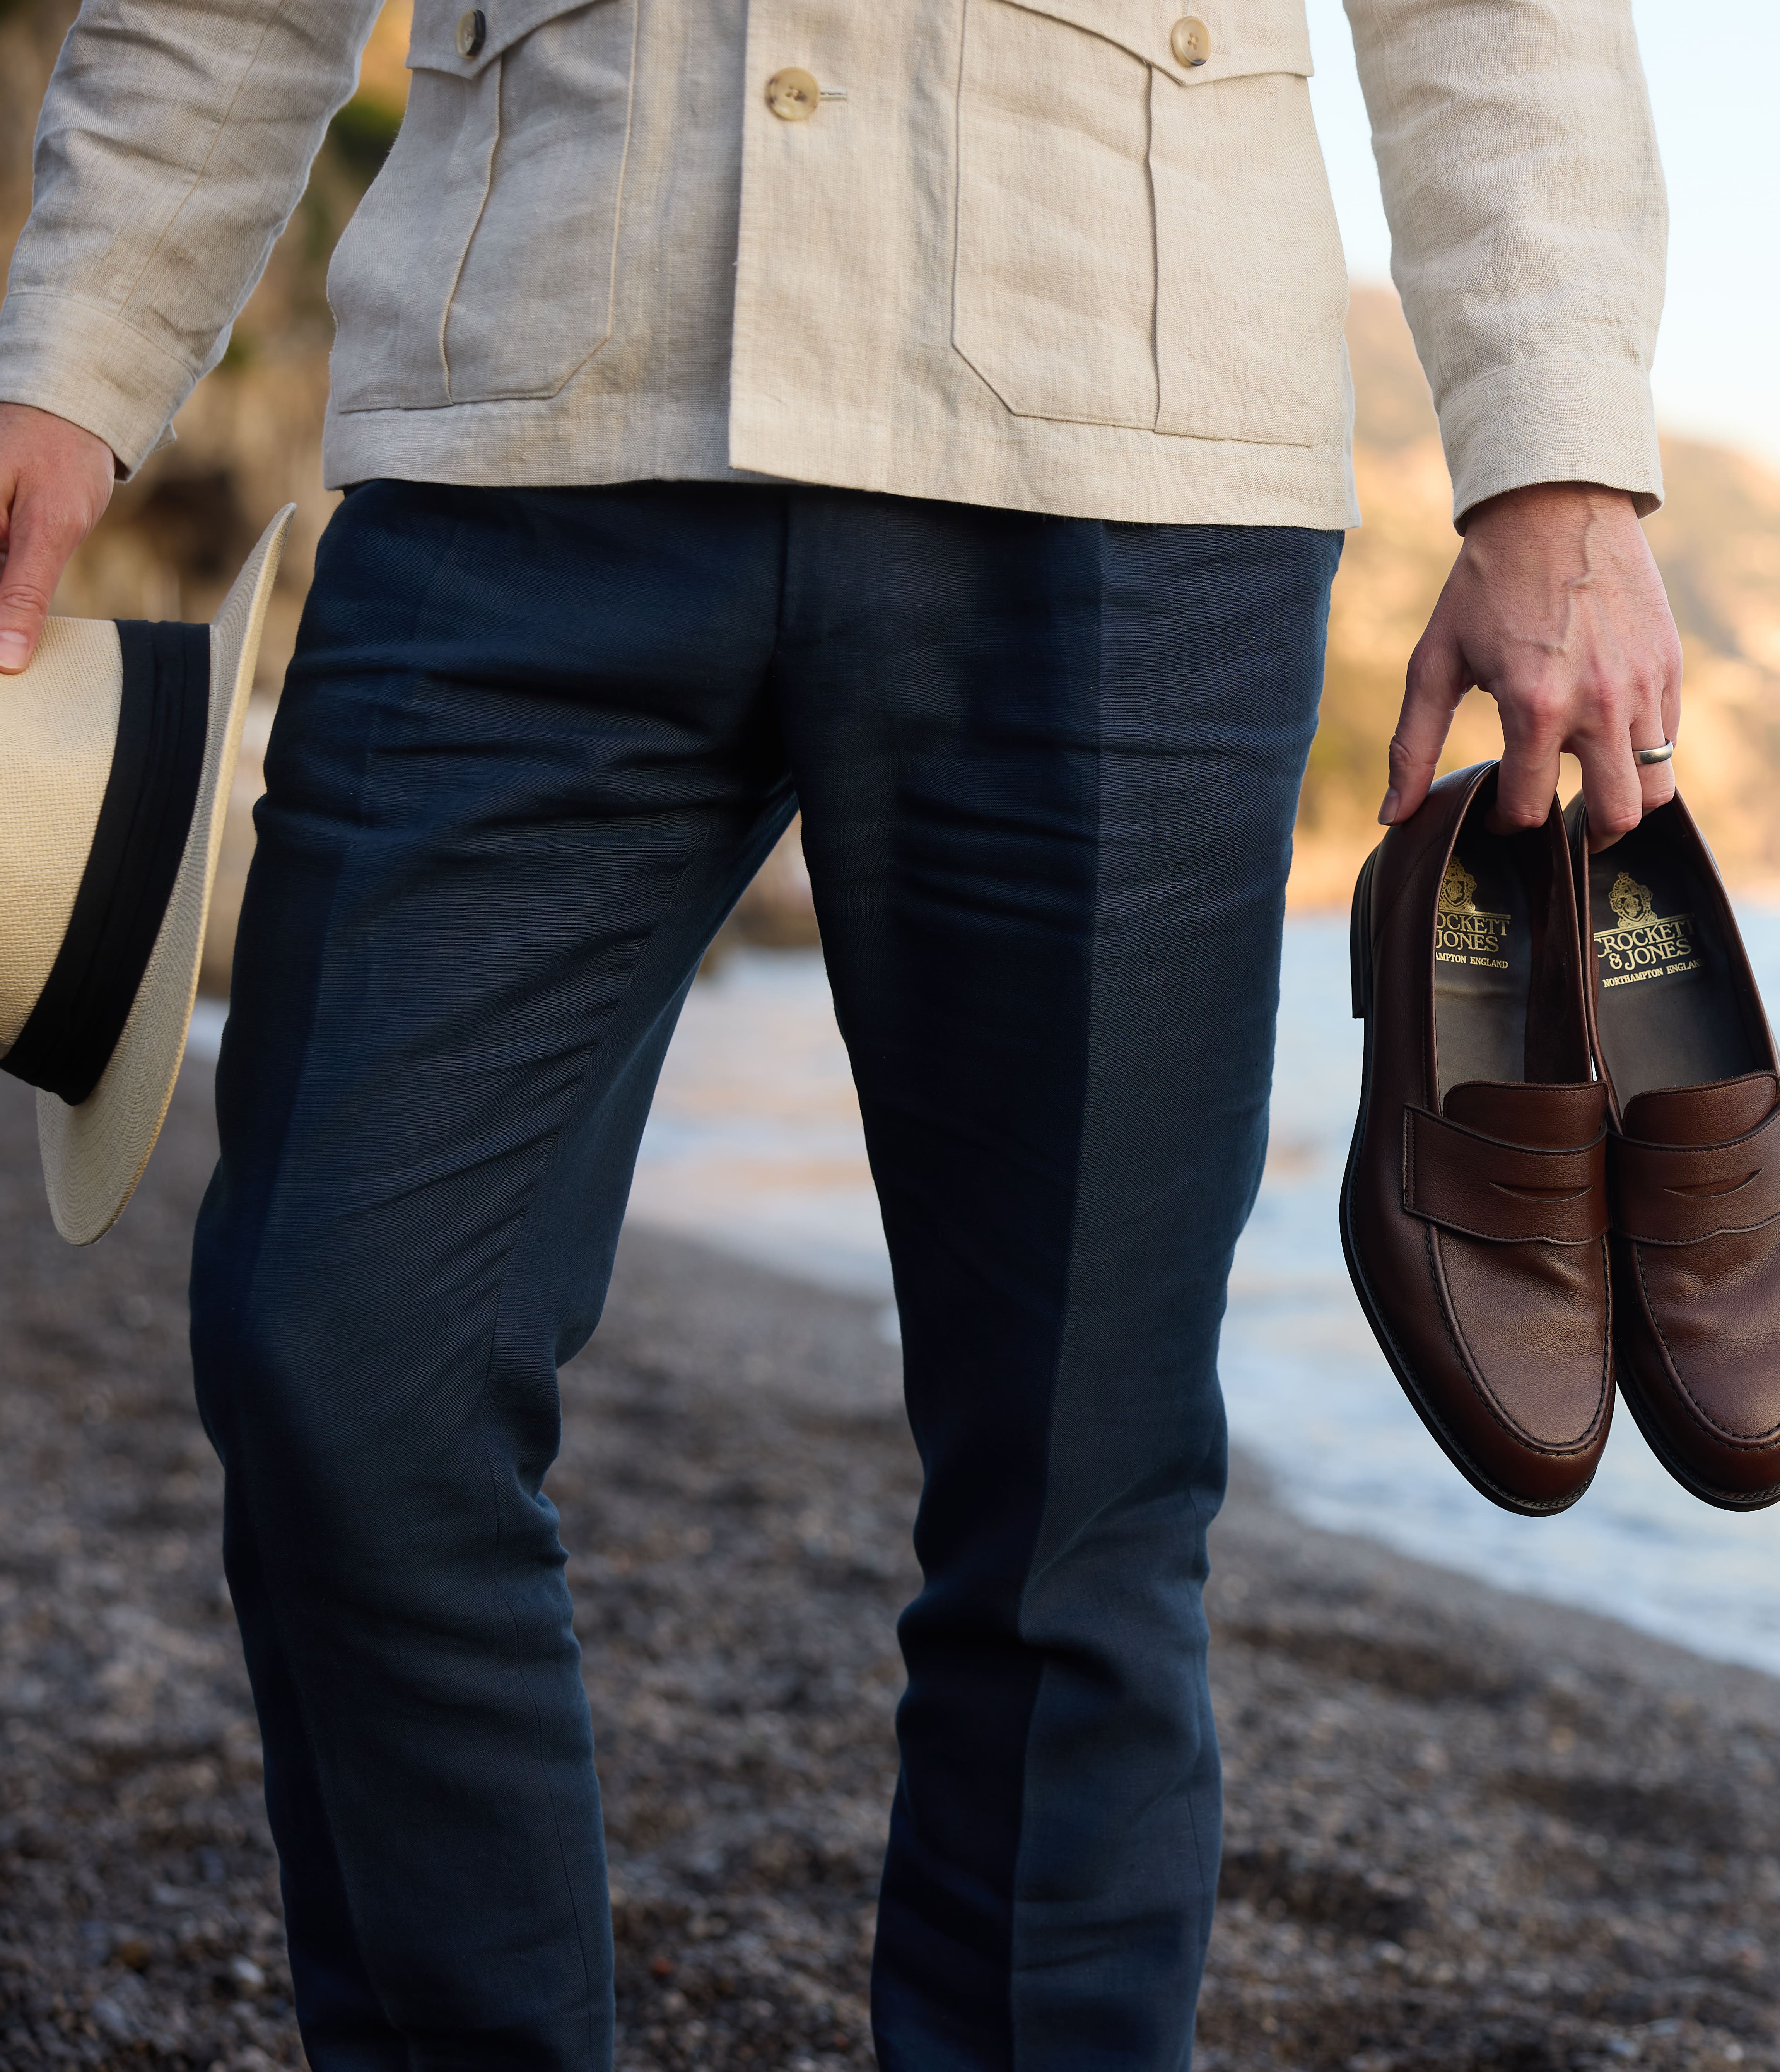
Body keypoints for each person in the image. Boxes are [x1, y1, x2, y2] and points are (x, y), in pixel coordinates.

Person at [0, 0, 1684, 2062]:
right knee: (333, 1351)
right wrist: (67, 361)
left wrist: (1559, 471)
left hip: (1119, 442)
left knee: (1077, 1489)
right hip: (524, 431)